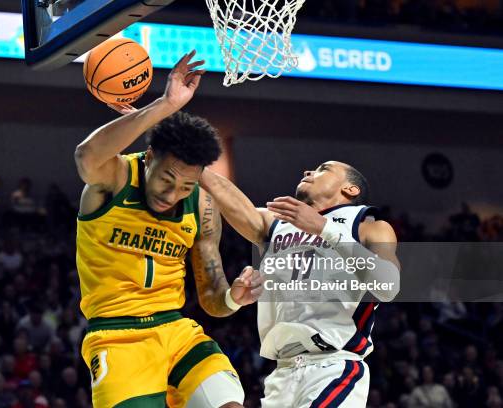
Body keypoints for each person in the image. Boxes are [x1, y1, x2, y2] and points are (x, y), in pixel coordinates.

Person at [73, 51, 261, 407]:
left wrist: (234, 298)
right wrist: (166, 104)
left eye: (185, 186)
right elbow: (86, 156)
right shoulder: (114, 179)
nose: (172, 194)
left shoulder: (202, 205)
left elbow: (211, 298)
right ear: (148, 159)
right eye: (166, 179)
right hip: (117, 336)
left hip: (176, 331)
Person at [199, 161, 401, 407]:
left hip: (333, 367)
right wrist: (192, 160)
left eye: (323, 169)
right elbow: (225, 194)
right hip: (281, 374)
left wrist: (324, 229)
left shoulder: (368, 226)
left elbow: (389, 286)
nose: (308, 172)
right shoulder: (276, 224)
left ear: (351, 189)